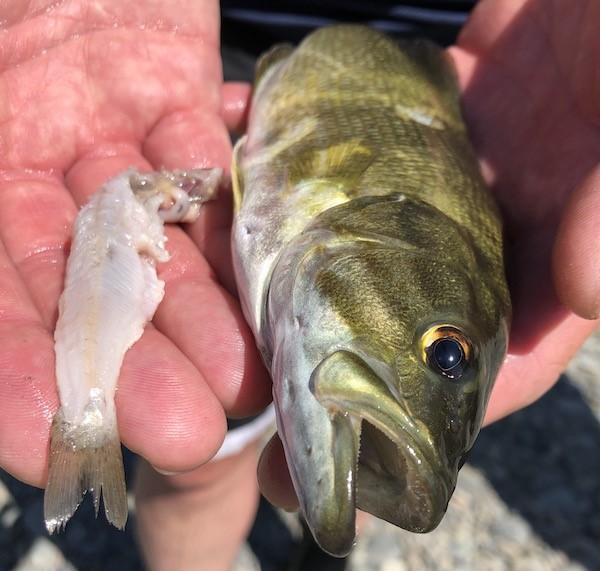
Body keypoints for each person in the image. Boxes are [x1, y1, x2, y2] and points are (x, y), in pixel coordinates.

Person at [0, 0, 597, 569]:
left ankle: (331, 540)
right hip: (206, 41)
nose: (443, 356)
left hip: (483, 70)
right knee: (200, 456)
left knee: (358, 455)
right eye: (444, 351)